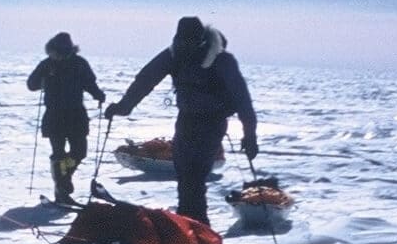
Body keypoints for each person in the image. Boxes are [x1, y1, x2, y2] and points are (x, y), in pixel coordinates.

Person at [104, 16, 258, 226]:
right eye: (181, 41)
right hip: (186, 119)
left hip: (213, 122)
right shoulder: (175, 54)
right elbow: (147, 78)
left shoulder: (221, 60)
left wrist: (250, 135)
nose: (184, 46)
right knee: (185, 173)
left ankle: (197, 225)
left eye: (189, 42)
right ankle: (188, 225)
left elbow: (242, 99)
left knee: (194, 175)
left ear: (201, 41)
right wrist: (124, 106)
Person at [27, 32, 105, 206]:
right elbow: (31, 84)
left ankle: (64, 177)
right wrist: (43, 81)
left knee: (79, 152)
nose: (57, 55)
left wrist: (98, 94)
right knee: (59, 154)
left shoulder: (80, 64)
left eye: (60, 52)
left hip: (76, 115)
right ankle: (62, 190)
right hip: (54, 116)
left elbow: (89, 84)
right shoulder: (47, 65)